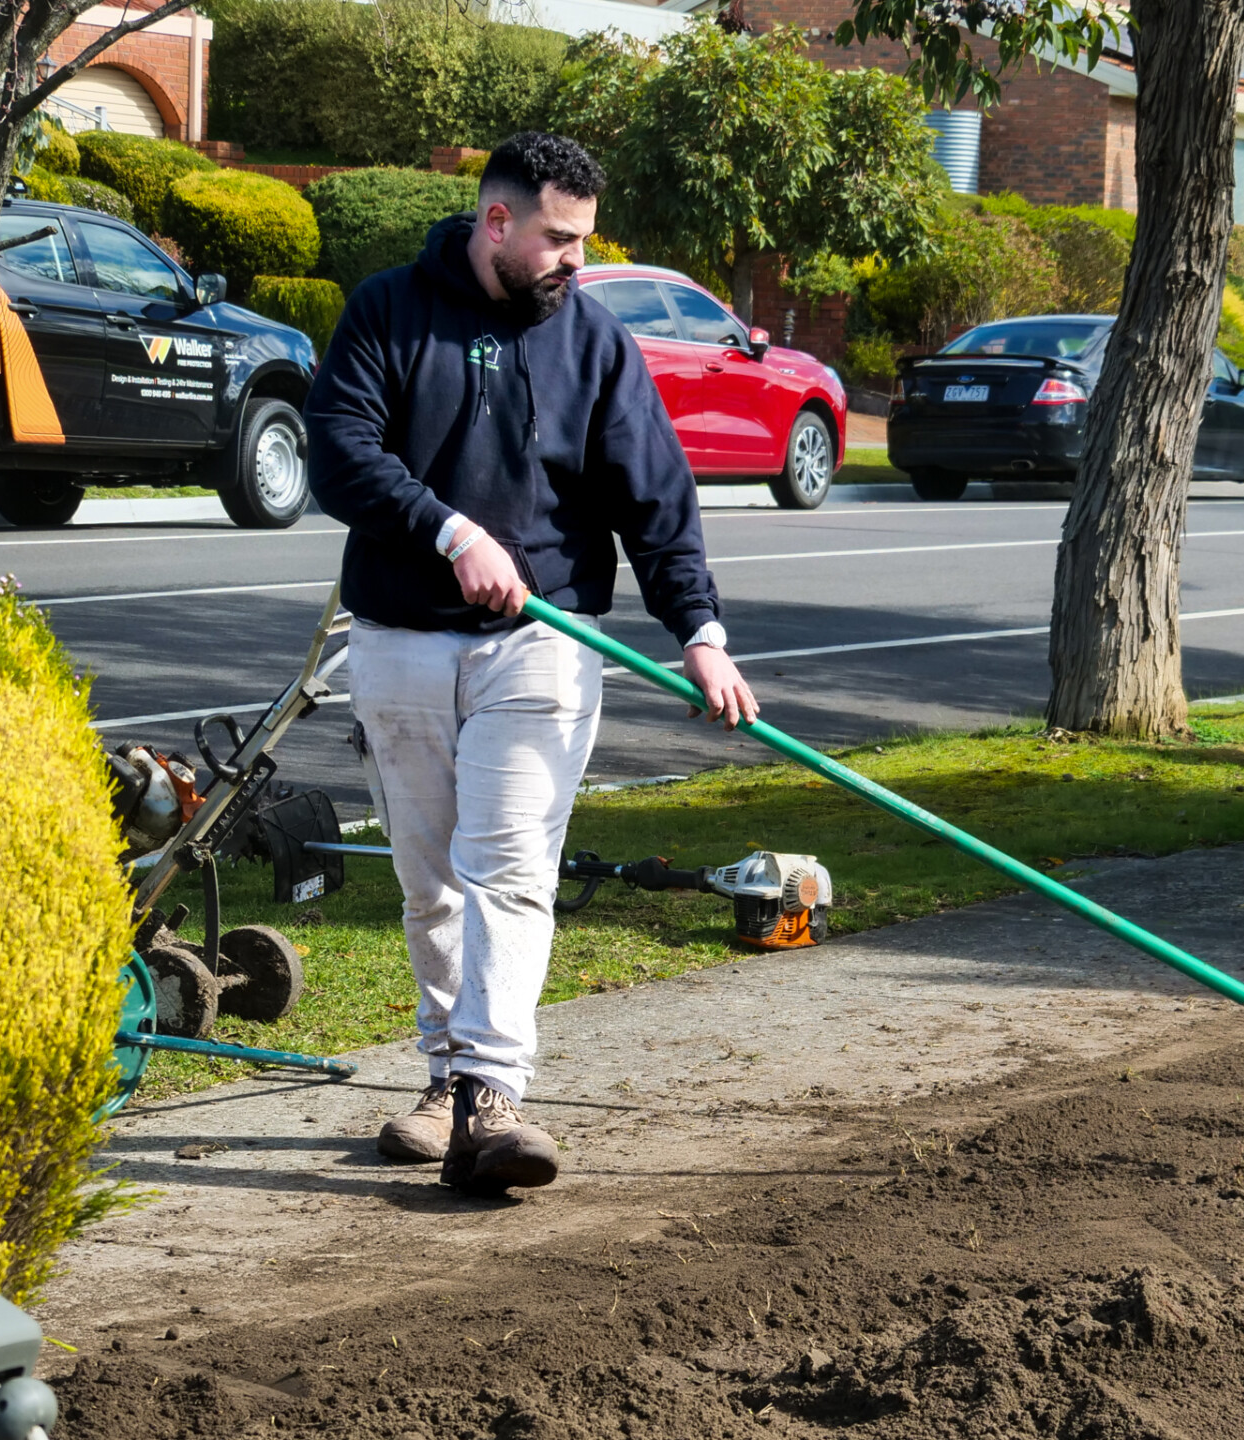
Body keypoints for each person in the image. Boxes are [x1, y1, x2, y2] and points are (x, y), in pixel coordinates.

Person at [304, 132, 757, 1196]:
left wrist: (699, 631)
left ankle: (493, 1094)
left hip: (543, 646)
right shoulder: (387, 311)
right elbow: (340, 453)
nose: (574, 260)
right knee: (430, 886)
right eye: (558, 238)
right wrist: (451, 532)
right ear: (496, 222)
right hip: (400, 640)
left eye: (584, 240)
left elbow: (655, 497)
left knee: (506, 871)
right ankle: (446, 1081)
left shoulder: (594, 343)